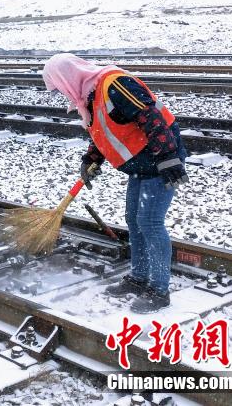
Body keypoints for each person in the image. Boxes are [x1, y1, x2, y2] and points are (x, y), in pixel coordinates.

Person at [42, 53, 188, 313]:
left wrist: (168, 159)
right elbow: (103, 133)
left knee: (150, 223)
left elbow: (150, 116)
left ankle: (159, 290)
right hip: (141, 166)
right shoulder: (90, 98)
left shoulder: (114, 84)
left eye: (59, 87)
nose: (60, 94)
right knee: (133, 220)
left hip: (160, 161)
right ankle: (139, 278)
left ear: (68, 78)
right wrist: (91, 159)